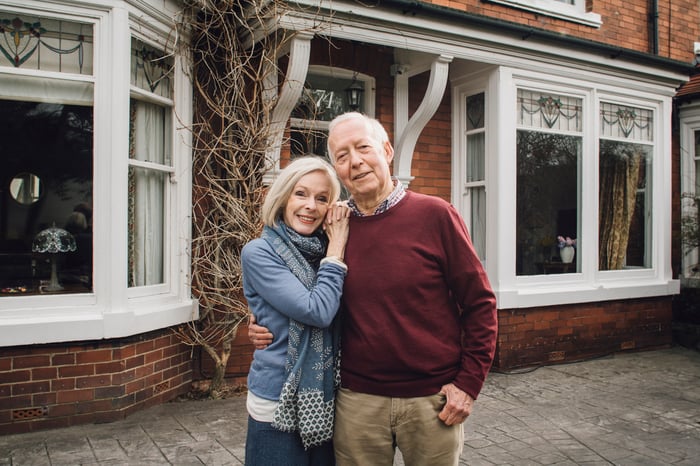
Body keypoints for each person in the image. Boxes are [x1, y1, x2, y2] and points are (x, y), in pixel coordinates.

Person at [249, 112, 498, 466]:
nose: (355, 161)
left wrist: (469, 385)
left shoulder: (436, 216)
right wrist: (261, 323)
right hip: (355, 402)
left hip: (431, 401)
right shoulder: (331, 228)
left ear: (386, 150)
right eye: (342, 155)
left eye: (362, 147)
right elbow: (301, 289)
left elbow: (480, 303)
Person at [242, 156, 351, 466]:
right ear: (283, 197)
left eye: (322, 198)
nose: (310, 206)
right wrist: (335, 253)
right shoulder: (259, 252)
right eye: (300, 194)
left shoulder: (326, 247)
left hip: (327, 400)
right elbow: (316, 311)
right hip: (277, 400)